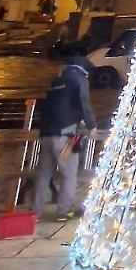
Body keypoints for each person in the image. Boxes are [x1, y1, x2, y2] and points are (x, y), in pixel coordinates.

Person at [32, 52, 96, 221]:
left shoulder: (56, 82)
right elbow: (83, 103)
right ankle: (63, 211)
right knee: (69, 174)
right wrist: (91, 125)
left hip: (46, 134)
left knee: (44, 173)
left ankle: (34, 213)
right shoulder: (78, 80)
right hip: (65, 136)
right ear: (84, 71)